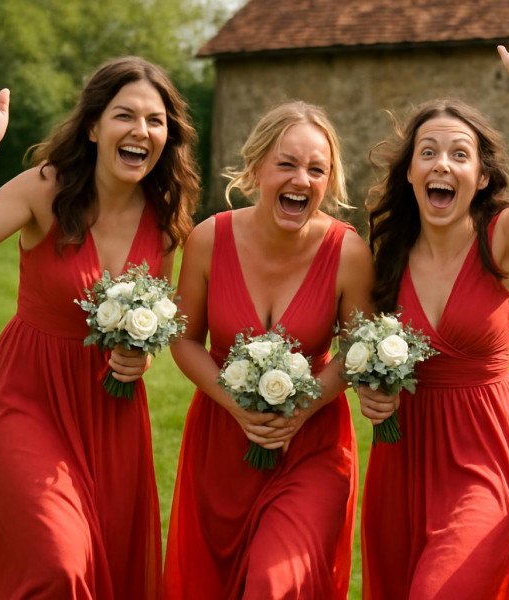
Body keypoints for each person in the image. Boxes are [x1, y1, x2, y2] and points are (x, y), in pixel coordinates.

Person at [0, 57, 199, 598]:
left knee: (106, 559)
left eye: (156, 120)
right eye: (125, 115)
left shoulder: (165, 215)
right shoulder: (44, 189)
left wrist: (141, 357)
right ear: (94, 126)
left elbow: (150, 326)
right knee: (59, 561)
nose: (141, 130)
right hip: (29, 397)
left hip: (111, 413)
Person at [359, 10, 509, 599]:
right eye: (428, 152)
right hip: (402, 460)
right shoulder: (385, 257)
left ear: (480, 177)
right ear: (410, 173)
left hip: (484, 456)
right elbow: (357, 351)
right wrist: (368, 388)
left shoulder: (503, 242)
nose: (443, 165)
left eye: (460, 155)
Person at [162, 101, 374, 599]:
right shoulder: (208, 239)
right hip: (221, 443)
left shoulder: (349, 254)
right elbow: (185, 340)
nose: (301, 179)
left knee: (274, 584)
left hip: (314, 446)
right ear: (257, 168)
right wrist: (236, 406)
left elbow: (356, 351)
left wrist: (303, 406)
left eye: (316, 169)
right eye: (287, 163)